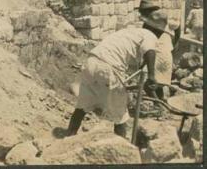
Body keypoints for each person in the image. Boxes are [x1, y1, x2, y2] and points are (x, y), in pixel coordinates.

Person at [66, 10, 171, 138]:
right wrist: (151, 76)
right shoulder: (150, 35)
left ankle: (68, 137)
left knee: (82, 107)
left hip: (91, 62)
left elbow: (132, 62)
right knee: (120, 115)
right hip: (109, 67)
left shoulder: (130, 32)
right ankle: (124, 151)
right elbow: (149, 50)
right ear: (159, 31)